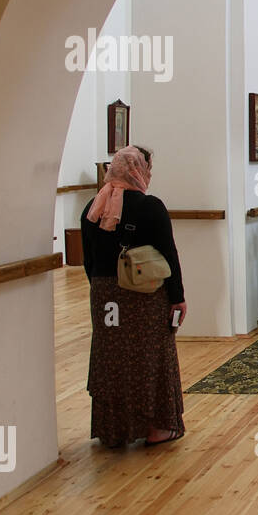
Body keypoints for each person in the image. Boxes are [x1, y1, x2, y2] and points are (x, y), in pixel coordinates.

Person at [80, 145, 185, 447]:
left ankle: (114, 430)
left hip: (105, 295)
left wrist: (101, 290)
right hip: (144, 294)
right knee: (149, 357)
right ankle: (156, 427)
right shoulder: (150, 206)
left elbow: (88, 259)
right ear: (140, 169)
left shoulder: (92, 206)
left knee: (111, 357)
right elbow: (169, 255)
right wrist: (177, 297)